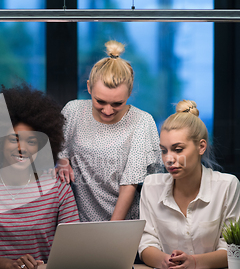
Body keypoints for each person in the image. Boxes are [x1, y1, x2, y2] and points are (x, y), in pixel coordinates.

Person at [0, 84, 80, 269]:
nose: (22, 148)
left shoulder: (59, 189)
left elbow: (73, 248)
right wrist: (10, 265)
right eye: (13, 139)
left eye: (31, 141)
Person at [57, 40, 162, 222]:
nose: (107, 110)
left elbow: (130, 183)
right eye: (100, 101)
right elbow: (57, 148)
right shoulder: (72, 111)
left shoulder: (142, 122)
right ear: (89, 87)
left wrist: (112, 231)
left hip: (122, 222)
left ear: (129, 93)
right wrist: (62, 159)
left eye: (117, 104)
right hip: (76, 222)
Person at [138, 100, 240, 269]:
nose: (169, 159)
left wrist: (193, 263)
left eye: (178, 150)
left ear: (201, 146)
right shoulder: (151, 186)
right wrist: (165, 261)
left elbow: (233, 249)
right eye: (164, 151)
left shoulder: (227, 186)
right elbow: (146, 243)